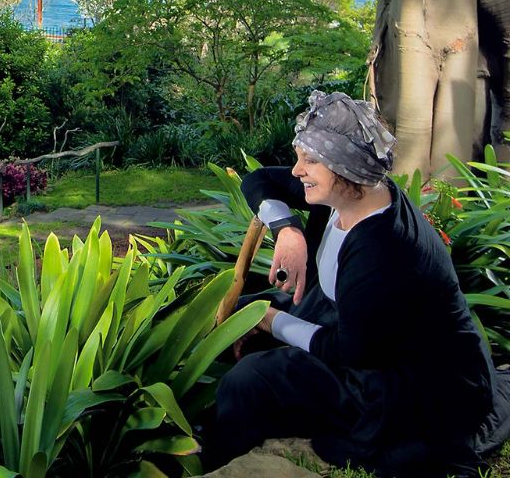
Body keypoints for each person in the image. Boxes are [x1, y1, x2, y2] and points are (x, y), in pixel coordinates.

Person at [207, 91, 497, 477]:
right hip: (355, 326)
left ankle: (213, 457)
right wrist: (287, 228)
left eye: (310, 160)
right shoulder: (350, 195)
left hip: (400, 382)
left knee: (248, 379)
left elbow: (349, 351)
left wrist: (269, 319)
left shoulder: (384, 247)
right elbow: (258, 180)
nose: (296, 171)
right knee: (240, 313)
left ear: (345, 168)